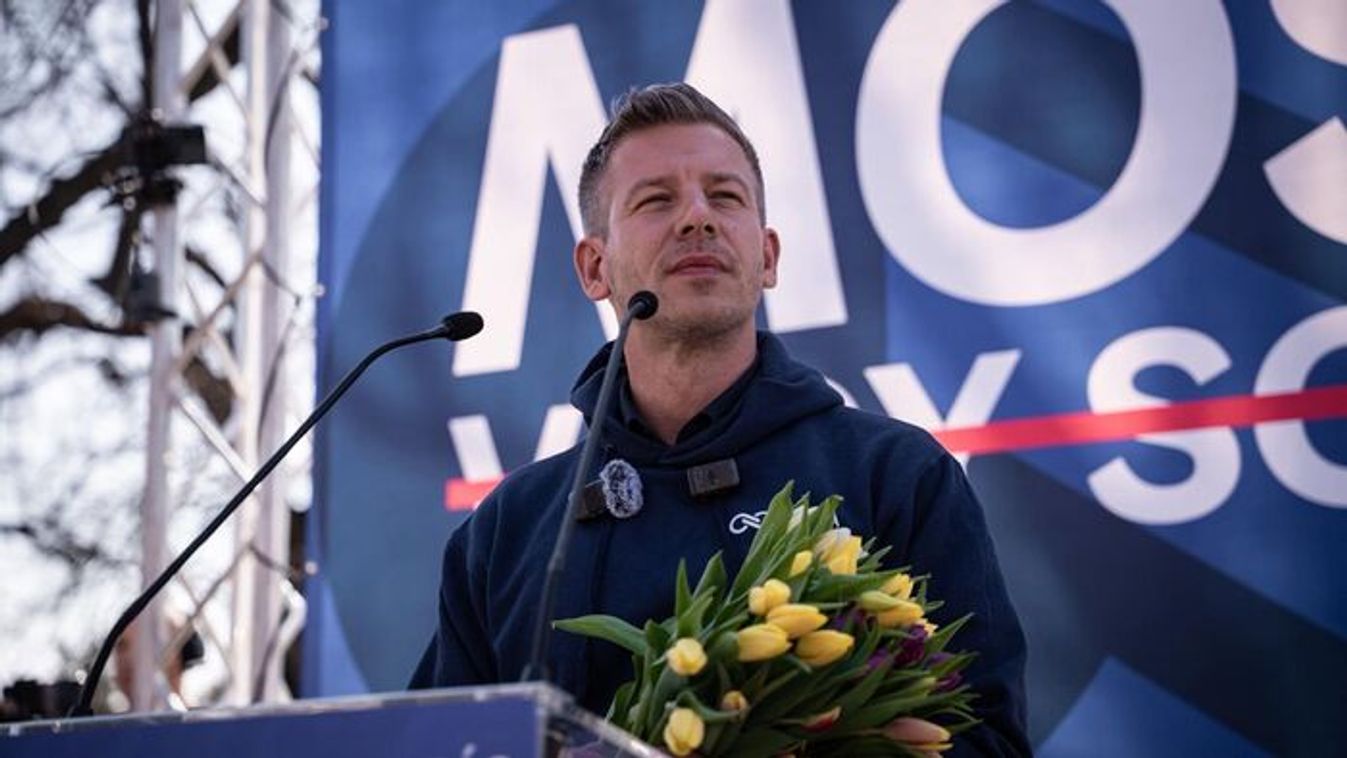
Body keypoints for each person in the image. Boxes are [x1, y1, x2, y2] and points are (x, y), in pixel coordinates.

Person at [411, 82, 1029, 755]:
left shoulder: (895, 475)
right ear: (594, 268)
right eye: (656, 200)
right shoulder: (510, 527)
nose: (696, 218)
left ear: (767, 257)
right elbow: (433, 744)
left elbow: (985, 740)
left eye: (725, 196)